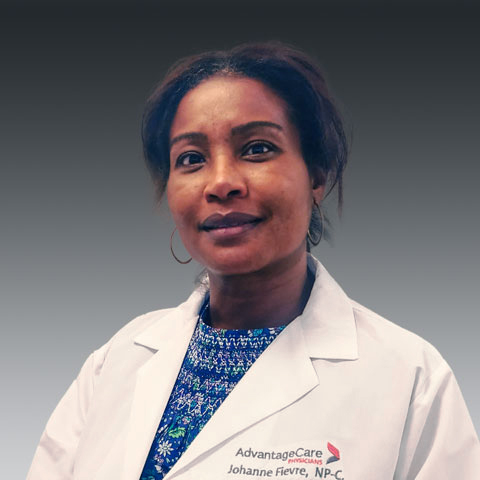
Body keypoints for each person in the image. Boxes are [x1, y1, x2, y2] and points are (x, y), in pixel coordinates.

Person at [27, 42, 480, 480]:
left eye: (257, 148)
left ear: (316, 175)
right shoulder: (117, 360)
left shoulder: (409, 378)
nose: (221, 182)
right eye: (191, 159)